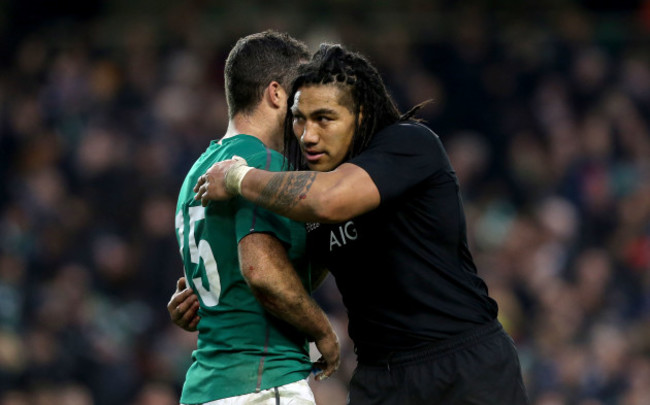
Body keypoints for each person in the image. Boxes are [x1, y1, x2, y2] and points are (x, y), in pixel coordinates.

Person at [193, 44, 530, 404]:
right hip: (379, 379)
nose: (307, 135)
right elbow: (283, 273)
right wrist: (210, 291)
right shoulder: (305, 189)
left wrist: (238, 177)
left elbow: (330, 199)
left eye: (324, 118)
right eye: (299, 118)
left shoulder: (408, 144)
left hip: (462, 365)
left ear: (360, 113)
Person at [172, 31, 340, 405]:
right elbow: (262, 272)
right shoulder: (260, 164)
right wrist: (323, 331)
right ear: (276, 93)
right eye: (300, 94)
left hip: (206, 387)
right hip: (261, 384)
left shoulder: (195, 173)